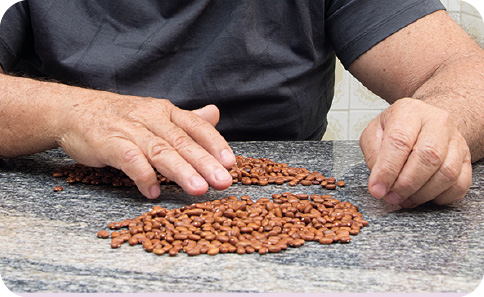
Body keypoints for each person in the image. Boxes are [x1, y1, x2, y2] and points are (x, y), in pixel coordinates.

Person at [0, 0, 483, 208]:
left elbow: (464, 69)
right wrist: (73, 113)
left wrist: (441, 123)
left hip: (286, 217)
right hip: (73, 201)